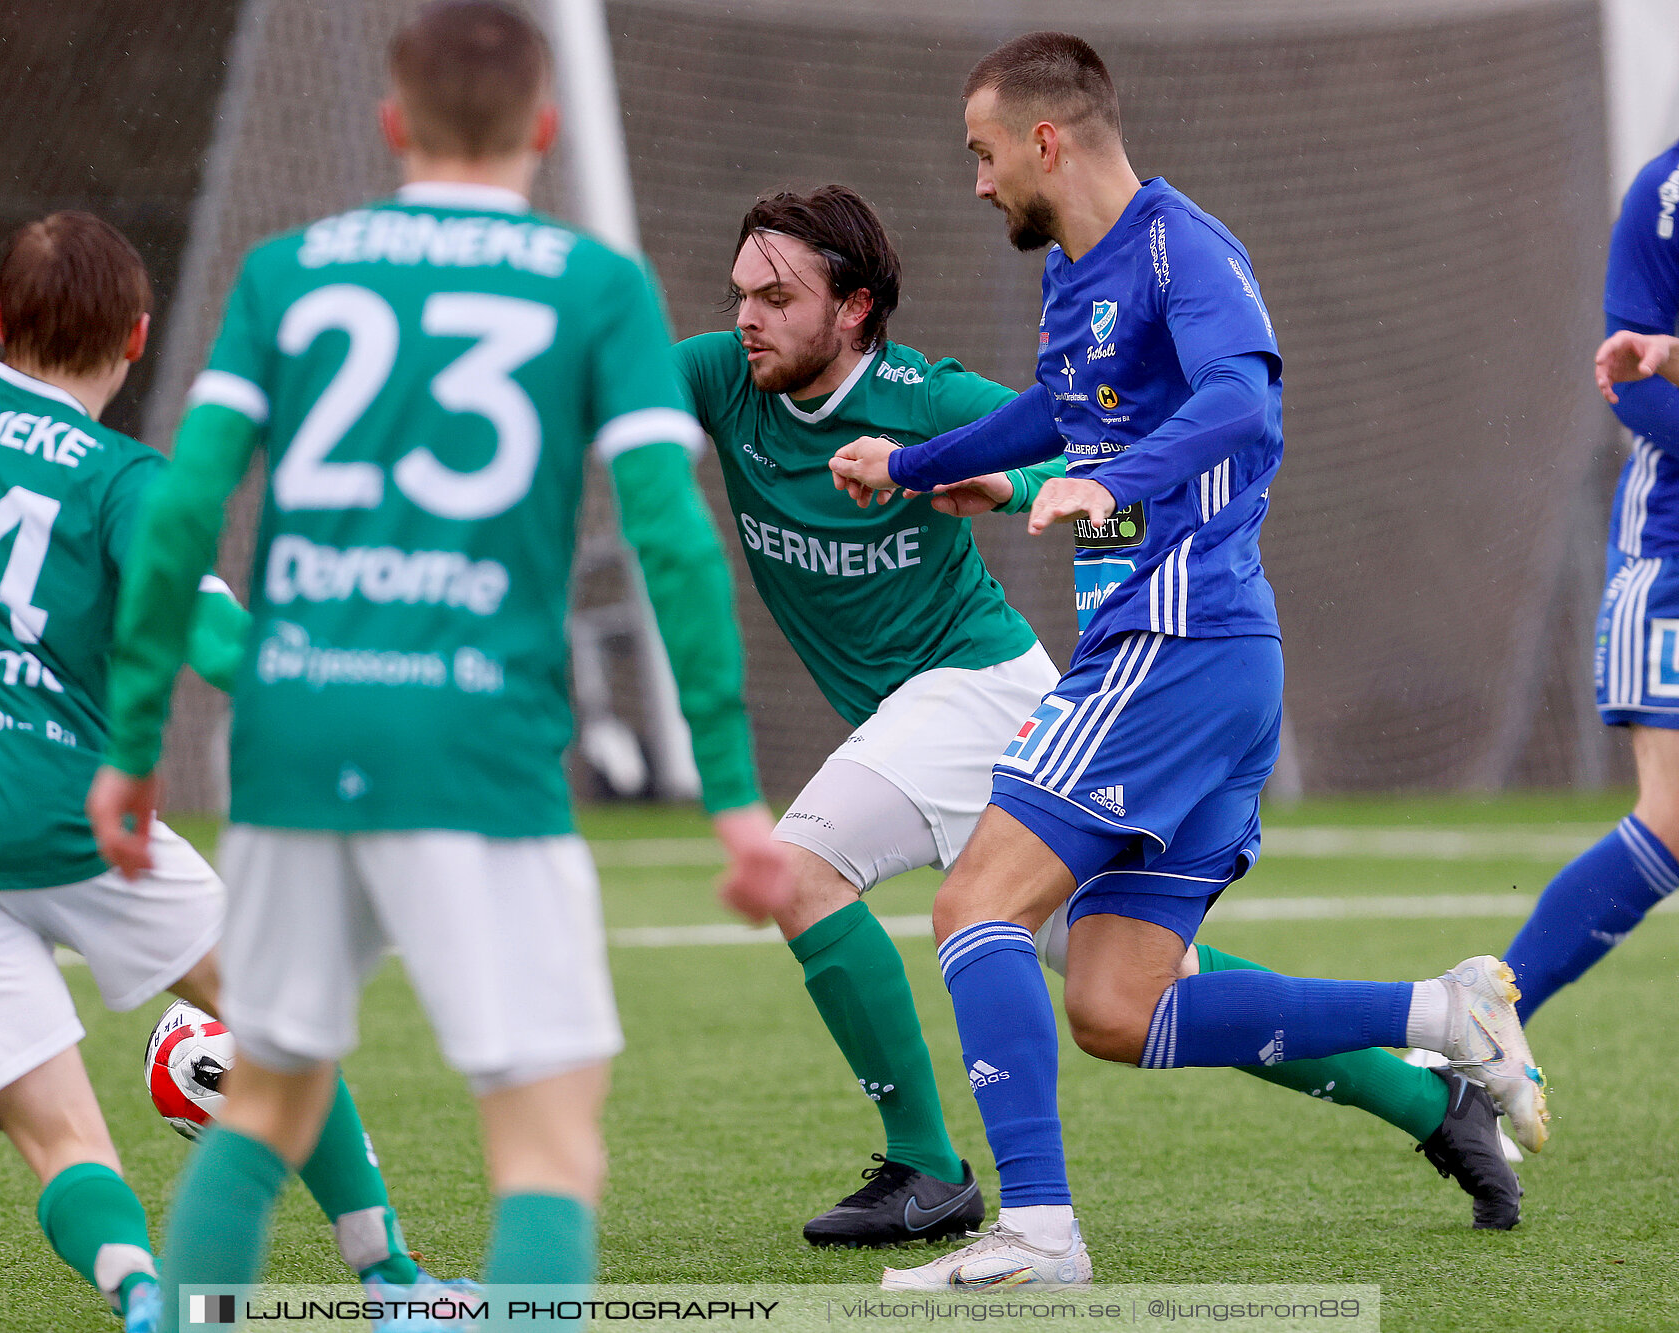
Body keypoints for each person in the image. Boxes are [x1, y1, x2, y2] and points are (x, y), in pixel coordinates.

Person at [83, 3, 789, 1328]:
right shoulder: (594, 285)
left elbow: (181, 515)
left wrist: (131, 746)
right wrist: (734, 791)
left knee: (269, 1103)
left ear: (393, 124)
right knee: (546, 1146)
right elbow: (672, 544)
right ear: (545, 128)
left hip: (291, 733)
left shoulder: (290, 271)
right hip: (475, 746)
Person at [828, 32, 1547, 1290]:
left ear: (1047, 140)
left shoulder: (1186, 249)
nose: (979, 182)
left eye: (985, 155)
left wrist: (1109, 481)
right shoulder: (1075, 272)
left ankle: (1039, 1233)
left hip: (1179, 640)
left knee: (973, 905)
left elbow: (1241, 405)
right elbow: (1058, 409)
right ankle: (1444, 1018)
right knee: (1116, 1006)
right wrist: (916, 463)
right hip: (1198, 662)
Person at [688, 183, 1523, 1240]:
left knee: (802, 868)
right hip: (950, 723)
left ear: (853, 308)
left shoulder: (926, 396)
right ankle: (1429, 1093)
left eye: (775, 295)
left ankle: (927, 1171)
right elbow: (608, 389)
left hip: (977, 693)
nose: (747, 316)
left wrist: (1001, 480)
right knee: (1130, 981)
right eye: (740, 295)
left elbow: (1085, 453)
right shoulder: (727, 380)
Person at [0, 212, 446, 1333]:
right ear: (137, 340)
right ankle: (393, 1286)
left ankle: (145, 1295)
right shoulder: (124, 479)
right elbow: (227, 647)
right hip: (73, 810)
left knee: (58, 1135)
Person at [1502, 141, 1679, 1029]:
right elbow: (1633, 383)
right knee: (1676, 815)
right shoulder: (1665, 192)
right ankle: (1486, 1023)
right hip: (1673, 547)